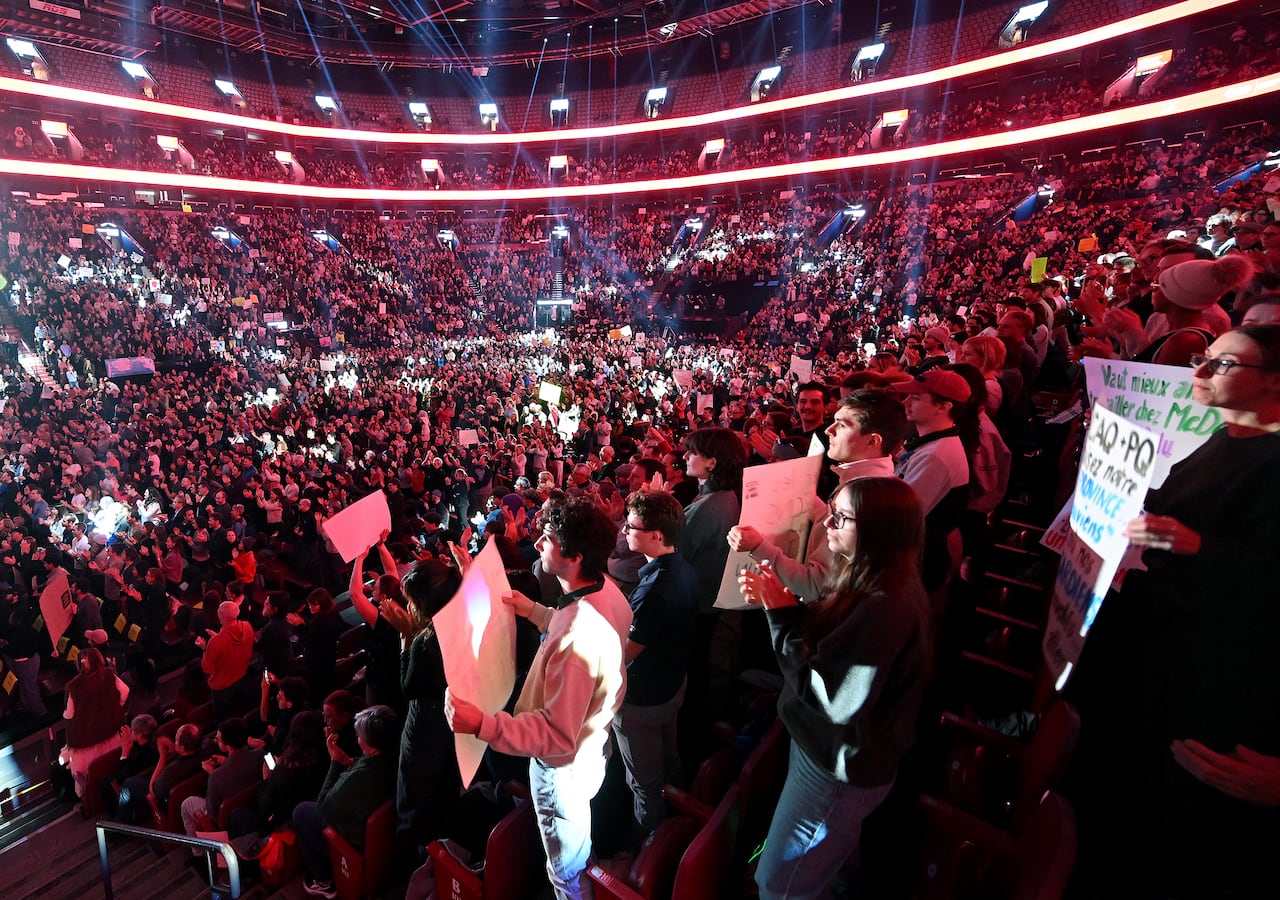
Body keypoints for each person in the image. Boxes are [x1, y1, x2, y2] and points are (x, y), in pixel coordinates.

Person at [1073, 325, 1280, 897]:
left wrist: (1200, 548)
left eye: (1224, 365)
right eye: (1203, 359)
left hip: (1207, 675)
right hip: (1155, 644)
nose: (1202, 373)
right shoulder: (1227, 436)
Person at [739, 477, 931, 900]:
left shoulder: (885, 605)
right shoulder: (873, 578)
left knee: (777, 885)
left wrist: (780, 611)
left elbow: (832, 698)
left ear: (877, 531)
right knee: (824, 865)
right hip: (827, 753)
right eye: (831, 511)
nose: (828, 524)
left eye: (841, 518)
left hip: (834, 769)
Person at [444, 497, 631, 900]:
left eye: (548, 538)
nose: (538, 541)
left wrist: (482, 724)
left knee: (565, 872)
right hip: (595, 744)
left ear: (575, 556)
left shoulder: (574, 640)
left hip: (562, 769)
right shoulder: (607, 593)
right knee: (577, 842)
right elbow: (575, 625)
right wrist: (536, 612)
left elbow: (557, 735)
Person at [728, 389, 908, 602]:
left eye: (842, 425)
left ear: (872, 441)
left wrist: (758, 547)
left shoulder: (865, 498)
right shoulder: (864, 483)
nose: (829, 430)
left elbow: (816, 585)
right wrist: (811, 501)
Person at [614, 489, 699, 833]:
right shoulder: (683, 569)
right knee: (670, 759)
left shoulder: (654, 590)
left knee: (644, 784)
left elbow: (624, 653)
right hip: (672, 683)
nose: (624, 532)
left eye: (630, 527)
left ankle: (651, 846)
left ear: (656, 535)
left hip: (643, 701)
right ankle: (682, 817)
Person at [380, 557, 463, 850]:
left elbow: (409, 688)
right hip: (457, 715)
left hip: (428, 722)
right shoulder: (465, 614)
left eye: (412, 601)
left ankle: (414, 851)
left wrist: (405, 637)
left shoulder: (425, 643)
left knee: (415, 790)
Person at [293, 705, 400, 899]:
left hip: (354, 838)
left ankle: (322, 879)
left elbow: (323, 805)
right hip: (381, 829)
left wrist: (334, 763)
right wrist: (346, 761)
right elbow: (369, 764)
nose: (358, 739)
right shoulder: (397, 756)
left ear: (370, 745)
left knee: (301, 812)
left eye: (360, 736)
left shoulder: (361, 777)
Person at [891, 370, 972, 594]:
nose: (906, 402)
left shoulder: (935, 456)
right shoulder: (931, 444)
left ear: (943, 406)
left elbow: (899, 518)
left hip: (918, 565)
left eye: (916, 397)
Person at [61, 646, 128, 797]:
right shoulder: (108, 675)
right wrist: (116, 706)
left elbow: (70, 714)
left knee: (89, 777)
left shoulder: (74, 686)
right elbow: (125, 691)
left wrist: (65, 714)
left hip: (86, 742)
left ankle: (91, 801)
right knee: (110, 767)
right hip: (110, 733)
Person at [198, 599, 255, 724]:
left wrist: (205, 648)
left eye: (219, 610)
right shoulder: (247, 626)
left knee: (223, 720)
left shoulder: (215, 643)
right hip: (242, 677)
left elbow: (207, 668)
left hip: (222, 687)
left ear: (221, 616)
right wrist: (217, 637)